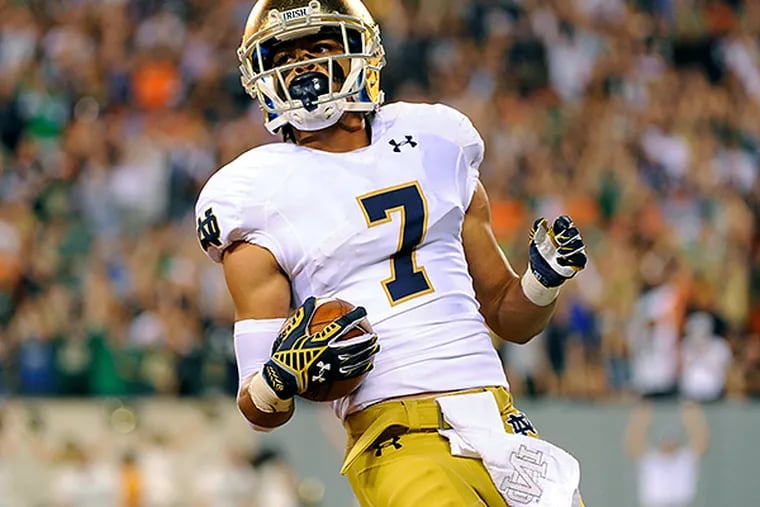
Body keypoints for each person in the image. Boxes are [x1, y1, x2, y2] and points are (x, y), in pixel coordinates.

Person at [194, 1, 588, 505]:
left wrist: (543, 279)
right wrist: (278, 377)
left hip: (503, 423)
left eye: (320, 48)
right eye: (285, 54)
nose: (302, 66)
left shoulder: (437, 141)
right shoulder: (251, 194)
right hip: (399, 436)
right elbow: (256, 404)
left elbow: (509, 317)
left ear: (362, 52)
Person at [624, 401, 710, 507]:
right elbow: (633, 446)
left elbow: (701, 442)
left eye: (672, 442)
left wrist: (693, 417)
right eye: (666, 442)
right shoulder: (651, 459)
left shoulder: (685, 458)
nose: (669, 445)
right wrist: (639, 420)